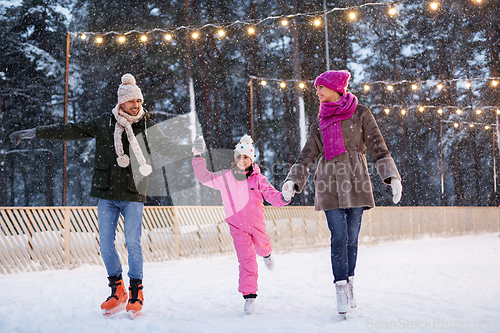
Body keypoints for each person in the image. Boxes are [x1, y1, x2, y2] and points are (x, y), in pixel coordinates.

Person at [9, 73, 203, 318]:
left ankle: (136, 291)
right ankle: (117, 290)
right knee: (105, 244)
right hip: (106, 192)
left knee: (133, 242)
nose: (136, 106)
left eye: (139, 102)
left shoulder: (146, 125)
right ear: (121, 102)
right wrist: (34, 132)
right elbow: (69, 130)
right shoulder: (103, 123)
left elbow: (168, 147)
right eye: (132, 101)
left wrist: (192, 150)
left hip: (133, 192)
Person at [281, 70, 402, 315]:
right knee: (338, 237)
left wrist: (392, 176)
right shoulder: (320, 120)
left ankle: (350, 282)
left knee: (352, 238)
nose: (317, 92)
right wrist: (292, 180)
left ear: (335, 88)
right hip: (329, 185)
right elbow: (307, 155)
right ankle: (340, 287)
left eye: (320, 88)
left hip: (356, 183)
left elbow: (378, 146)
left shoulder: (361, 113)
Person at [191, 134, 291, 313]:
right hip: (237, 227)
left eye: (246, 157)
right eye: (239, 156)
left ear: (251, 159)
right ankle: (249, 295)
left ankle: (267, 254)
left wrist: (284, 197)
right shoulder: (226, 178)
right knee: (246, 260)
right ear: (234, 158)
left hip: (256, 225)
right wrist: (198, 155)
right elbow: (204, 177)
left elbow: (272, 196)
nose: (242, 160)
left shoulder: (259, 179)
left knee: (262, 247)